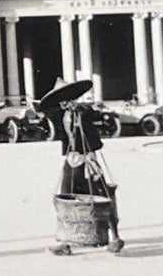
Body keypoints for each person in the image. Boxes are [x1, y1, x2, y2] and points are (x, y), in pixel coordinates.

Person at [39, 79, 124, 256]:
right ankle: (64, 241)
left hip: (88, 160)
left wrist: (79, 109)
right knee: (66, 196)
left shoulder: (82, 112)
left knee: (103, 195)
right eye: (60, 100)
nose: (63, 103)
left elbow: (92, 113)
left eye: (66, 98)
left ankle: (114, 237)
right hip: (72, 160)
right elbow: (44, 110)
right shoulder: (60, 114)